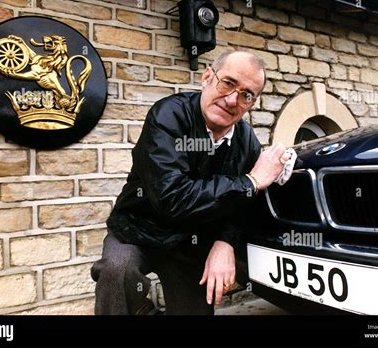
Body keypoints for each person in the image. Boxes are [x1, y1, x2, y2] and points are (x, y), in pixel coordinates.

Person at [90, 50, 294, 315]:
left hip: (191, 242)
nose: (232, 100)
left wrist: (225, 243)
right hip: (137, 229)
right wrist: (251, 181)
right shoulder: (168, 115)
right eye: (228, 83)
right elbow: (172, 198)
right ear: (207, 77)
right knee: (117, 272)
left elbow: (244, 205)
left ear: (251, 103)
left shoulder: (246, 141)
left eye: (246, 95)